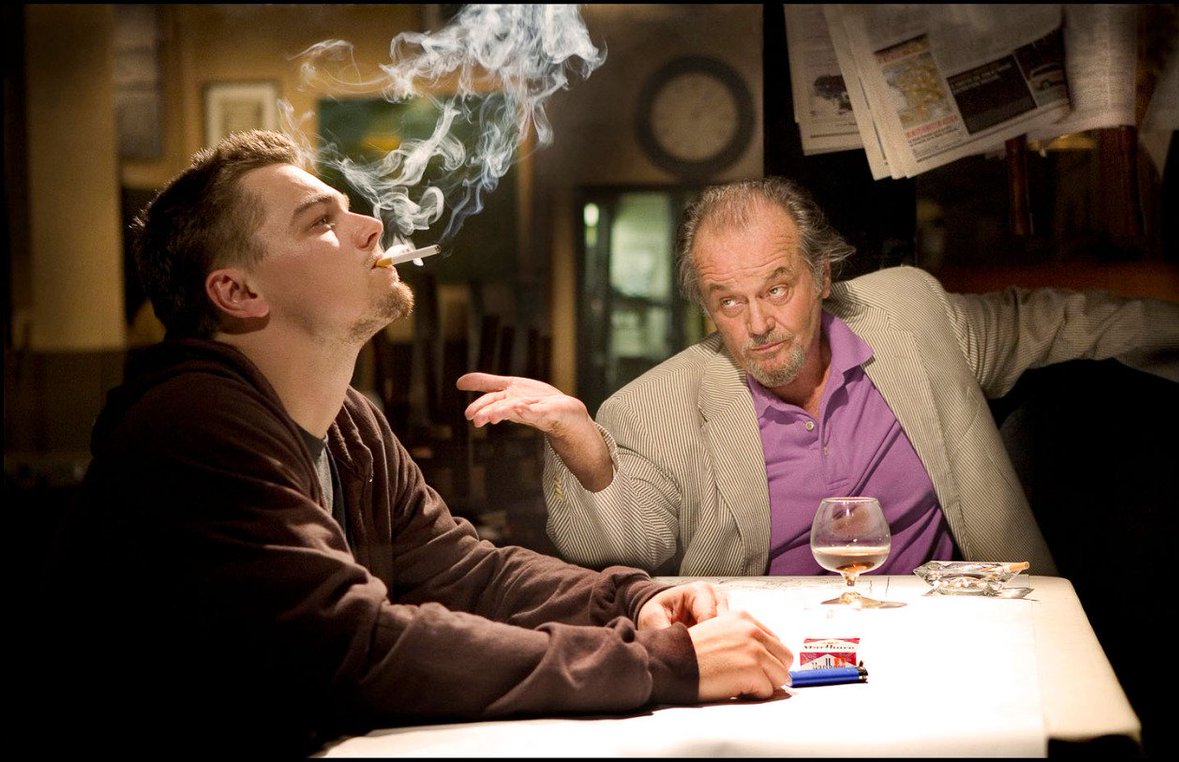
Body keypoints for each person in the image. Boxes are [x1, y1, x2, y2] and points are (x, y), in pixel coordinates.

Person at [36, 131, 794, 756]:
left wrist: (636, 597)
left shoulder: (350, 424)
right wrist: (656, 663)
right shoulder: (189, 427)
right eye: (320, 222)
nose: (370, 228)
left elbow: (471, 575)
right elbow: (356, 648)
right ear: (238, 292)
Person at [458, 176, 1179, 578]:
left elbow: (1048, 321)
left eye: (777, 288)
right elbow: (623, 551)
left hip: (961, 633)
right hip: (776, 665)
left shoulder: (910, 316)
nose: (758, 323)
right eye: (729, 301)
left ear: (823, 275)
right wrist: (582, 443)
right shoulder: (653, 407)